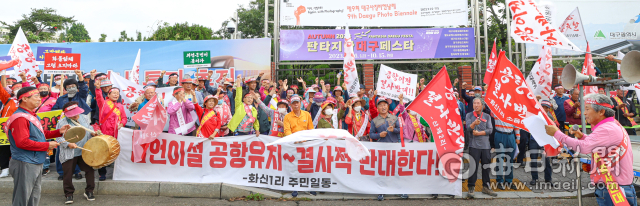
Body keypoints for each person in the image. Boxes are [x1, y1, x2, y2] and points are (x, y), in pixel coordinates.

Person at [546, 93, 636, 206]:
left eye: (587, 109)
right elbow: (596, 143)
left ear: (601, 112)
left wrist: (556, 134)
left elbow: (583, 147)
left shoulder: (606, 129)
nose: (584, 113)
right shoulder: (612, 125)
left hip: (614, 189)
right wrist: (581, 136)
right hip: (615, 186)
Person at [7, 86, 70, 206]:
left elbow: (40, 134)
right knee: (22, 199)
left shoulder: (31, 115)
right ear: (24, 99)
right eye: (36, 96)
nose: (39, 98)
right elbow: (22, 142)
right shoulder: (20, 118)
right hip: (24, 162)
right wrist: (47, 145)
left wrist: (58, 132)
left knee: (34, 196)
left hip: (34, 160)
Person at [56, 101, 97, 204]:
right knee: (68, 174)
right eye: (72, 114)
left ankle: (89, 191)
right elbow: (58, 137)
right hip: (70, 152)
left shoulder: (83, 117)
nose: (75, 116)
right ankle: (69, 194)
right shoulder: (62, 122)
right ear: (66, 114)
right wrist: (68, 144)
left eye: (76, 113)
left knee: (90, 170)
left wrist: (93, 133)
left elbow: (89, 128)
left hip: (84, 150)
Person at [369, 96, 406, 200]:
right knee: (382, 170)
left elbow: (400, 131)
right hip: (381, 149)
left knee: (396, 170)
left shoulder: (394, 118)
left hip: (394, 147)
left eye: (384, 104)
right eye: (380, 105)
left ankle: (399, 191)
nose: (383, 107)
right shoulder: (375, 120)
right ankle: (381, 191)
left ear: (388, 106)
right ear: (377, 108)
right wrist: (379, 135)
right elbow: (371, 135)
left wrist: (393, 130)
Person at [282, 95, 315, 197]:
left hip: (306, 145)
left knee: (307, 166)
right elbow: (287, 130)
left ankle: (309, 187)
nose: (296, 104)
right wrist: (294, 139)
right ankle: (295, 188)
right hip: (294, 145)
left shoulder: (306, 114)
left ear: (300, 103)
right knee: (294, 167)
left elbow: (311, 129)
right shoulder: (287, 116)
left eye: (297, 102)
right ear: (291, 105)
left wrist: (308, 139)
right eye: (294, 103)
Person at [465, 98, 497, 198]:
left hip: (485, 146)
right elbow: (468, 128)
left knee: (486, 167)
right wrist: (474, 123)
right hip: (473, 145)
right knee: (473, 167)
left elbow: (490, 130)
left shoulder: (487, 116)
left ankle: (486, 187)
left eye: (478, 103)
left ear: (482, 105)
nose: (476, 105)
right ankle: (471, 187)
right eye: (474, 103)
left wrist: (480, 133)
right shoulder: (469, 115)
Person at [493, 115, 520, 190]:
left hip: (511, 135)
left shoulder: (512, 111)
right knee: (500, 160)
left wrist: (518, 137)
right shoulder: (497, 109)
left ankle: (509, 181)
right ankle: (499, 181)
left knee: (510, 160)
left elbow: (516, 124)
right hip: (499, 134)